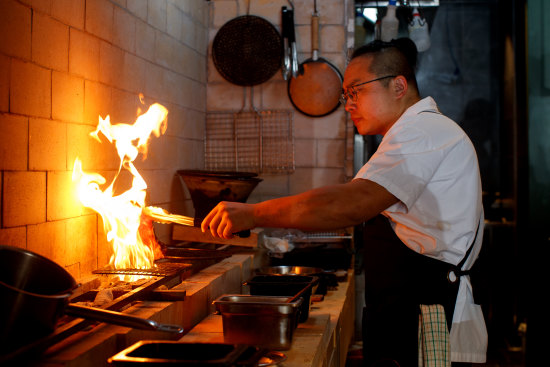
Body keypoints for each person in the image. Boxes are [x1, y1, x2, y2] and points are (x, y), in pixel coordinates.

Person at [201, 38, 487, 366]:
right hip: (409, 310)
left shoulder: (424, 131)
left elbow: (352, 202)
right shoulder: (409, 134)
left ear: (398, 86)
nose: (348, 104)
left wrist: (253, 214)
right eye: (345, 95)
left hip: (428, 317)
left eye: (356, 91)